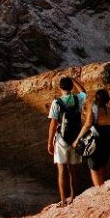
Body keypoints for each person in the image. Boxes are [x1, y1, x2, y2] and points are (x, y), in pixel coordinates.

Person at [72, 89, 110, 187]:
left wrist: (77, 140)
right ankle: (103, 187)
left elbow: (87, 125)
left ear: (96, 98)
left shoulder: (94, 109)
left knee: (94, 168)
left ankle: (99, 191)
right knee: (102, 165)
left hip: (97, 142)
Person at [47, 76, 86, 205]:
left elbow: (53, 124)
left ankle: (63, 200)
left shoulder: (56, 102)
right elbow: (83, 91)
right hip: (75, 139)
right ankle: (73, 198)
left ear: (60, 88)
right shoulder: (78, 98)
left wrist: (49, 143)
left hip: (61, 140)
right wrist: (73, 79)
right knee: (73, 171)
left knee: (61, 171)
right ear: (71, 87)